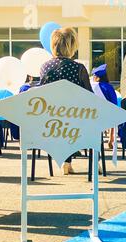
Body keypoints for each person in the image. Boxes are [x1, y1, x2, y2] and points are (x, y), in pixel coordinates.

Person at [39, 27, 93, 175]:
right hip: (75, 121)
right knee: (88, 119)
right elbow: (90, 97)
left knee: (65, 118)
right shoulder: (78, 68)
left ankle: (66, 162)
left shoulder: (44, 67)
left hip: (51, 122)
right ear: (72, 46)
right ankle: (96, 162)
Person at [91, 64, 120, 150]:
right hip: (106, 116)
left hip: (92, 116)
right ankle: (111, 140)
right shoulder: (108, 87)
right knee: (113, 115)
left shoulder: (91, 86)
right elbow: (114, 104)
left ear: (96, 76)